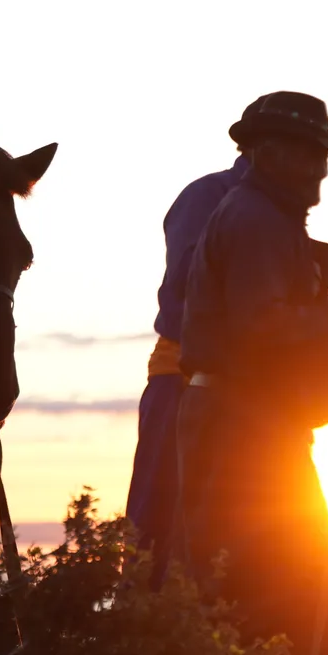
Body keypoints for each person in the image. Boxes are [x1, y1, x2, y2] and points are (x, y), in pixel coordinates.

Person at [177, 91, 328, 655]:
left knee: (271, 593)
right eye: (309, 153)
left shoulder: (265, 216)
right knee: (261, 596)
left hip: (250, 428)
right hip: (244, 436)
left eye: (323, 155)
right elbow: (261, 330)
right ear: (268, 153)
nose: (321, 168)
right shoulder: (257, 219)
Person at [124, 143, 250, 582]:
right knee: (161, 529)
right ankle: (150, 633)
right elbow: (187, 297)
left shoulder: (275, 212)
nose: (317, 169)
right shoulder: (209, 197)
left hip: (248, 398)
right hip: (183, 386)